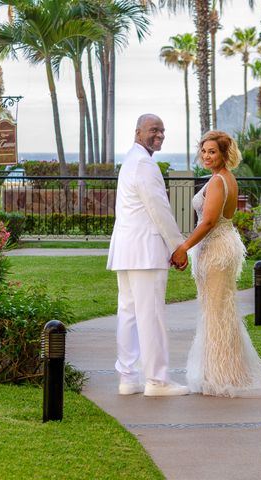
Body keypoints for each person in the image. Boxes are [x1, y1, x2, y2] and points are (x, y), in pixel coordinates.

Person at [171, 130, 261, 398]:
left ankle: (224, 377)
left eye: (212, 152)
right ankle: (223, 371)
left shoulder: (219, 181)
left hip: (218, 249)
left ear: (224, 154)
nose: (206, 156)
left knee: (217, 313)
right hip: (223, 244)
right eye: (204, 151)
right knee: (220, 311)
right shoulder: (225, 178)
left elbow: (208, 221)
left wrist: (184, 246)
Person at [107, 114, 190, 397]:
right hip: (145, 251)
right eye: (154, 130)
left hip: (127, 250)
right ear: (138, 132)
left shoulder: (130, 160)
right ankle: (157, 380)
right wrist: (177, 246)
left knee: (128, 313)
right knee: (151, 314)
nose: (160, 135)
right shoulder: (145, 164)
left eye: (163, 130)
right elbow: (159, 210)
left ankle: (128, 378)